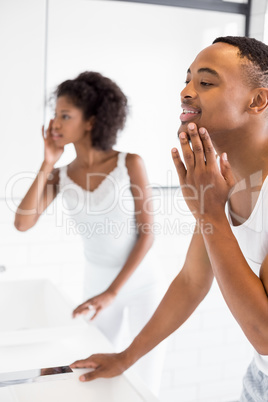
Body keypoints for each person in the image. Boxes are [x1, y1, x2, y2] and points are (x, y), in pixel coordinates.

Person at [70, 36, 268, 401]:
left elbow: (266, 335)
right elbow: (193, 280)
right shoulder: (221, 178)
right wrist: (125, 358)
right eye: (187, 79)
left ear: (257, 100)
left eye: (205, 82)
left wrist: (210, 213)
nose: (186, 91)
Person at [14, 71, 166, 395]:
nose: (55, 123)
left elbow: (148, 234)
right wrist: (46, 163)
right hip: (95, 288)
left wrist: (114, 292)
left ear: (91, 121)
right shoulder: (59, 175)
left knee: (145, 381)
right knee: (83, 374)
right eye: (54, 114)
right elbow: (22, 223)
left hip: (142, 287)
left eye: (65, 115)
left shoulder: (130, 163)